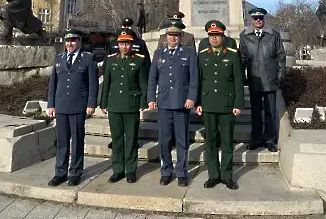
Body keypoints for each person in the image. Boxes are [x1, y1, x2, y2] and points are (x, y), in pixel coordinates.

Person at [148, 20, 198, 187]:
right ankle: (166, 171)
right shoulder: (158, 54)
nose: (173, 38)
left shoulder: (189, 53)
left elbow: (194, 78)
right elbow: (152, 78)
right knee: (164, 140)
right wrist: (150, 98)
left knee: (182, 140)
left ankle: (182, 172)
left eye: (176, 35)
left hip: (182, 103)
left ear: (180, 37)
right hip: (163, 103)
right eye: (170, 35)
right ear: (166, 37)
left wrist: (191, 97)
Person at [196, 21, 244, 190]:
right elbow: (199, 81)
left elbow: (238, 81)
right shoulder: (202, 55)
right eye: (211, 35)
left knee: (227, 142)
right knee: (210, 142)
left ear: (223, 36)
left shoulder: (232, 54)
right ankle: (213, 175)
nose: (214, 38)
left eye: (217, 35)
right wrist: (198, 102)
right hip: (208, 105)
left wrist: (238, 103)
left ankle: (227, 176)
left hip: (227, 105)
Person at [47, 30, 98, 186]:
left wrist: (91, 103)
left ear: (79, 42)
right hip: (61, 105)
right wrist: (51, 104)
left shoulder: (88, 59)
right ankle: (60, 173)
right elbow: (53, 83)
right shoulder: (59, 58)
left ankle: (75, 172)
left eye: (73, 41)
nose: (70, 44)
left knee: (77, 140)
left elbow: (93, 83)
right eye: (67, 41)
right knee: (62, 141)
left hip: (78, 105)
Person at [100, 28, 148, 184]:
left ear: (132, 45)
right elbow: (106, 83)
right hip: (114, 105)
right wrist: (103, 103)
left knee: (131, 139)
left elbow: (143, 84)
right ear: (118, 45)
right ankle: (117, 170)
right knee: (117, 139)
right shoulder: (112, 60)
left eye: (127, 44)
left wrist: (142, 103)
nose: (124, 47)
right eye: (122, 44)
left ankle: (131, 170)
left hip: (131, 105)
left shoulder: (139, 60)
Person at [239, 8, 286, 153]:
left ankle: (270, 140)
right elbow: (242, 58)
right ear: (251, 20)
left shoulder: (273, 35)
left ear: (264, 19)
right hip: (254, 79)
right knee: (256, 111)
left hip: (270, 78)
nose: (258, 20)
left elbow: (281, 56)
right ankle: (256, 139)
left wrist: (280, 75)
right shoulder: (245, 36)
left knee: (270, 112)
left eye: (260, 18)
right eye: (255, 18)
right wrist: (243, 76)